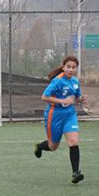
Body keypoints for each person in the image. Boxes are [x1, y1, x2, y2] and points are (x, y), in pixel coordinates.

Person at [34, 55, 88, 184]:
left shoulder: (75, 82)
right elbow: (44, 97)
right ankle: (40, 146)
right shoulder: (57, 81)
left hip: (69, 115)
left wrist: (80, 99)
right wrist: (62, 101)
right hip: (54, 115)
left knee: (73, 141)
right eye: (68, 67)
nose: (71, 69)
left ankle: (76, 173)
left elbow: (76, 98)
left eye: (73, 67)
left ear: (76, 68)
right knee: (53, 146)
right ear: (63, 67)